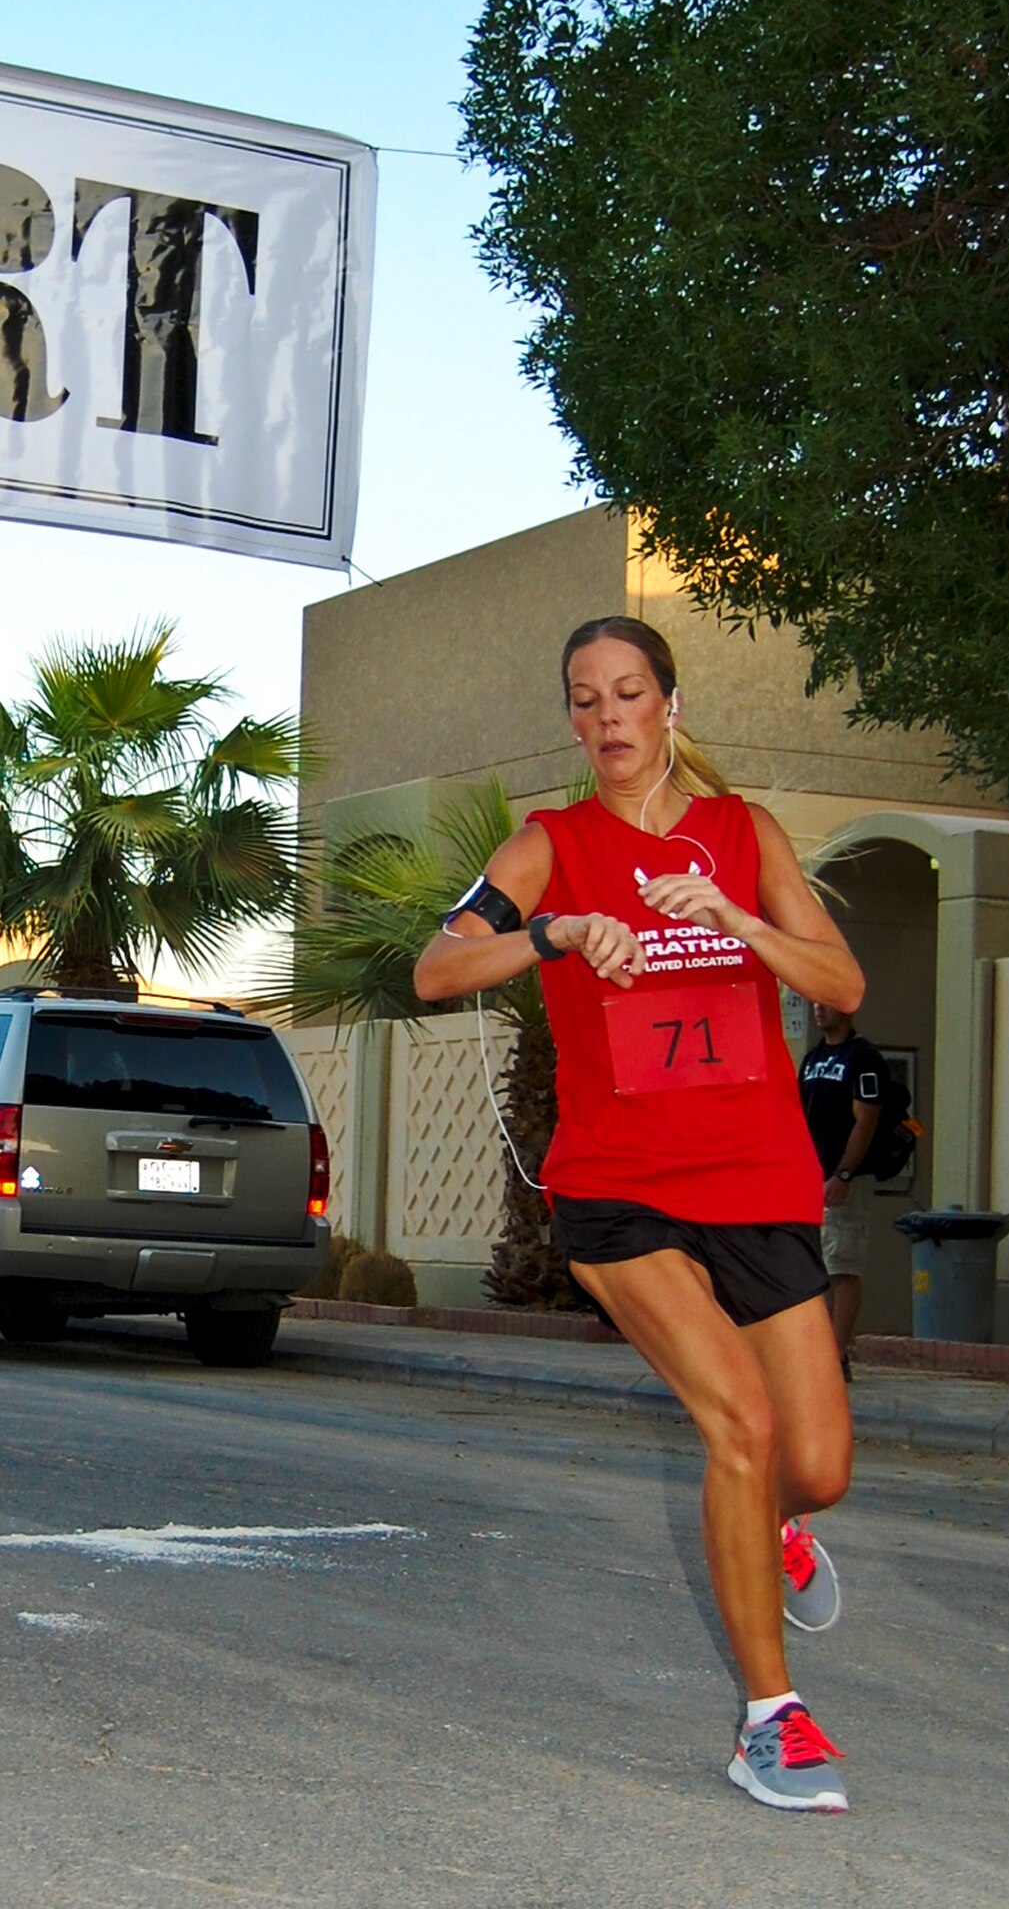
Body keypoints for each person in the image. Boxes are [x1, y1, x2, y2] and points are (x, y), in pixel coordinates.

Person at [414, 616, 863, 1814]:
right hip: (619, 1187)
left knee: (814, 1463)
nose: (606, 716)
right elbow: (435, 968)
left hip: (757, 1177)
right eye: (583, 698)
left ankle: (773, 1528)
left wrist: (739, 922)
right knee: (740, 1422)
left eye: (626, 692)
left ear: (668, 702)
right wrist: (549, 931)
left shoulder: (742, 834)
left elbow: (842, 984)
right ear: (572, 717)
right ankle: (769, 1720)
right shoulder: (547, 845)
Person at [799, 1002, 883, 1376]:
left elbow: (865, 1120)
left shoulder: (862, 1058)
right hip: (808, 1177)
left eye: (826, 1002)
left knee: (842, 1265)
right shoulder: (813, 1058)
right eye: (814, 1002)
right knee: (809, 1265)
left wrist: (844, 1174)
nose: (818, 1009)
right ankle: (812, 1352)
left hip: (844, 1179)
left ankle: (836, 1355)